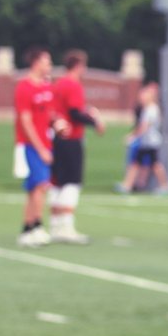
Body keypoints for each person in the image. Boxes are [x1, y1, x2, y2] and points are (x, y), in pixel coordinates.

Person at [50, 49, 105, 244]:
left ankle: (55, 224)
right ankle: (66, 226)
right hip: (71, 138)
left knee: (57, 181)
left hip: (57, 137)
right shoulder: (72, 85)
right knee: (72, 182)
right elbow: (74, 113)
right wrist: (94, 121)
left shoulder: (59, 83)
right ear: (78, 66)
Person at [15, 47, 68, 248]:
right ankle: (36, 226)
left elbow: (50, 115)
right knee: (40, 186)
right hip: (31, 145)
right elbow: (26, 122)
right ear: (36, 62)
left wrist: (59, 125)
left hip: (46, 143)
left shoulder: (46, 87)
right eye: (47, 61)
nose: (50, 65)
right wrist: (40, 149)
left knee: (35, 188)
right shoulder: (24, 87)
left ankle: (27, 228)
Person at [125, 82, 168, 193]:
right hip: (147, 141)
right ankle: (128, 185)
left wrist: (133, 136)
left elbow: (144, 126)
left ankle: (165, 186)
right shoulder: (148, 109)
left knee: (152, 164)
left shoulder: (151, 109)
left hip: (150, 142)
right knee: (139, 163)